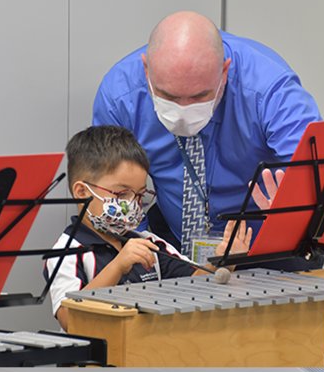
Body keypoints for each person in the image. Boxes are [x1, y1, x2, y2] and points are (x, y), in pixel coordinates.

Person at [92, 12, 321, 258]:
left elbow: (316, 175)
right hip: (169, 240)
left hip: (263, 244)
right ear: (146, 69)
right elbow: (106, 191)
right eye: (168, 96)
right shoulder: (119, 94)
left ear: (225, 71)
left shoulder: (271, 88)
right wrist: (142, 254)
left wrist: (294, 211)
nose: (182, 110)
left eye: (199, 96)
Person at [44, 126, 248, 323]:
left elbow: (195, 283)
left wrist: (223, 261)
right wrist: (118, 266)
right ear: (82, 192)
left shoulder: (150, 243)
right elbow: (69, 318)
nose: (132, 204)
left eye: (139, 195)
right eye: (122, 193)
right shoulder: (66, 253)